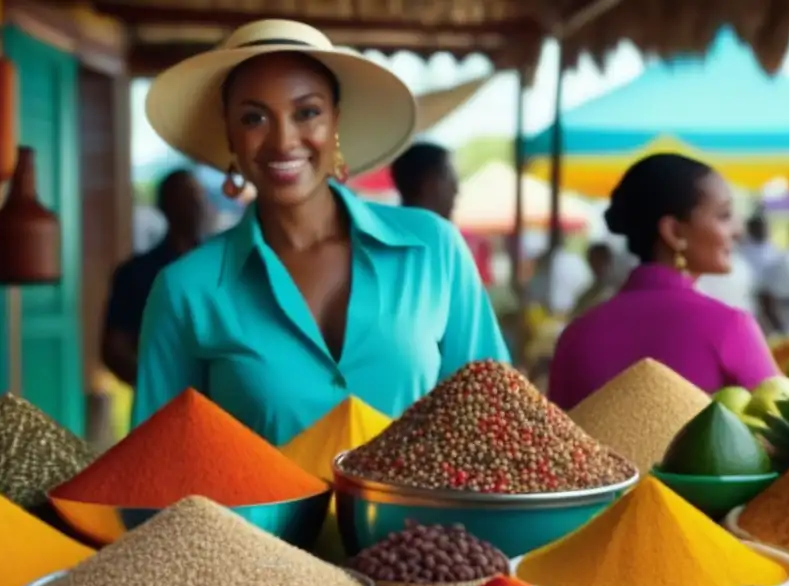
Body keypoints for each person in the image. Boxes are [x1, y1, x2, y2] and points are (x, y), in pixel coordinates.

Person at [133, 20, 509, 445]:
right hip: (247, 517)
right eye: (254, 118)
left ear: (336, 123)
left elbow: (494, 422)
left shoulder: (432, 249)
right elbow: (156, 473)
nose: (283, 140)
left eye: (307, 112)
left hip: (429, 515)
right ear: (230, 135)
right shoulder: (186, 291)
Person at [548, 153, 778, 408]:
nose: (738, 231)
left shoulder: (575, 336)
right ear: (674, 232)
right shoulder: (730, 328)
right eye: (724, 216)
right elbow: (783, 437)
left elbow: (555, 442)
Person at [102, 169, 208, 386]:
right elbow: (114, 348)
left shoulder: (222, 268)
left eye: (198, 196)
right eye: (185, 196)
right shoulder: (136, 273)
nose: (196, 204)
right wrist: (157, 384)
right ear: (165, 206)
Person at [391, 141, 494, 285]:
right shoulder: (441, 243)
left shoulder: (383, 240)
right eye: (450, 179)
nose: (456, 190)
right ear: (430, 183)